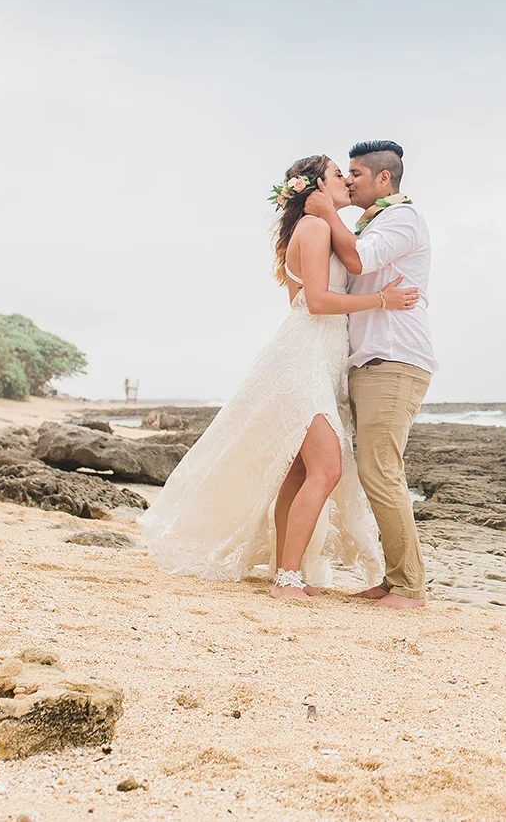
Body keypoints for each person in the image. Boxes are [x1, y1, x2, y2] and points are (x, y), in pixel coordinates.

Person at [140, 154, 420, 599]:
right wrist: (381, 300)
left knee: (298, 473)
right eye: (336, 175)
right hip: (304, 361)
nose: (345, 181)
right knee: (326, 470)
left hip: (320, 358)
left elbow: (324, 285)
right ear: (315, 188)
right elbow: (315, 302)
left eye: (349, 174)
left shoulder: (323, 229)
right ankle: (288, 577)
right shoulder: (313, 229)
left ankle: (285, 572)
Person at [303, 140, 436, 609]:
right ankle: (396, 578)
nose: (349, 180)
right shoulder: (368, 221)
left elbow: (360, 260)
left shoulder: (403, 218)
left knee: (380, 471)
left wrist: (326, 212)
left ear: (384, 179)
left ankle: (409, 588)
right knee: (374, 471)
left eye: (356, 173)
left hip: (395, 359)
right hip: (368, 361)